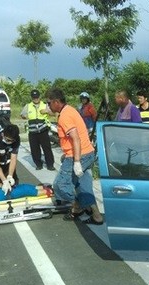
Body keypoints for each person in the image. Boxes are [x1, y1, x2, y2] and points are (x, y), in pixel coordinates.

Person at [45, 88, 104, 224]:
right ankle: (96, 215)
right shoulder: (69, 110)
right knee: (82, 185)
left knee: (60, 185)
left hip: (79, 156)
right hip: (87, 153)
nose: (48, 106)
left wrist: (76, 161)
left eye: (49, 103)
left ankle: (79, 206)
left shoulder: (65, 116)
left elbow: (76, 139)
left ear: (56, 102)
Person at [20, 89, 55, 171]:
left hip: (43, 130)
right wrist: (24, 117)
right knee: (34, 149)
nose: (36, 99)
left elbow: (53, 113)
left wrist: (47, 111)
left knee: (47, 148)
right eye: (34, 97)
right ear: (32, 97)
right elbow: (22, 114)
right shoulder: (28, 106)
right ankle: (38, 164)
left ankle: (50, 165)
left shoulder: (45, 105)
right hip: (32, 131)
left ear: (39, 97)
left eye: (37, 97)